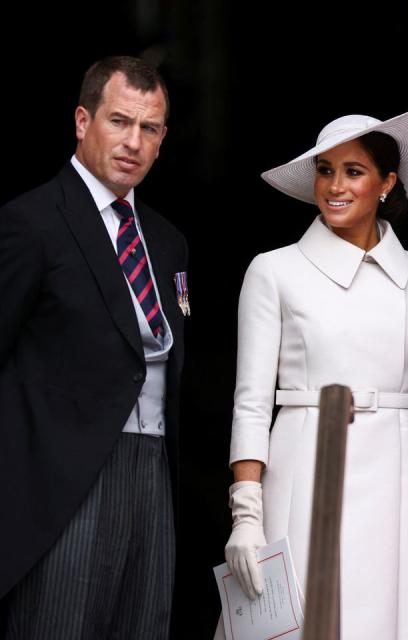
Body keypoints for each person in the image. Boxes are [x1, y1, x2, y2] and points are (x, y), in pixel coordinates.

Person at [222, 109, 408, 639]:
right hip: (303, 471)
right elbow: (251, 402)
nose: (334, 186)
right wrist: (246, 514)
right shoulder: (273, 270)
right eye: (325, 170)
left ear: (387, 182)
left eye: (353, 171)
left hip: (398, 478)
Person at [0, 57, 187, 638]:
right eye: (119, 121)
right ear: (83, 122)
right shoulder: (30, 222)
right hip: (61, 482)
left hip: (152, 473)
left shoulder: (169, 241)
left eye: (149, 128)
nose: (133, 141)